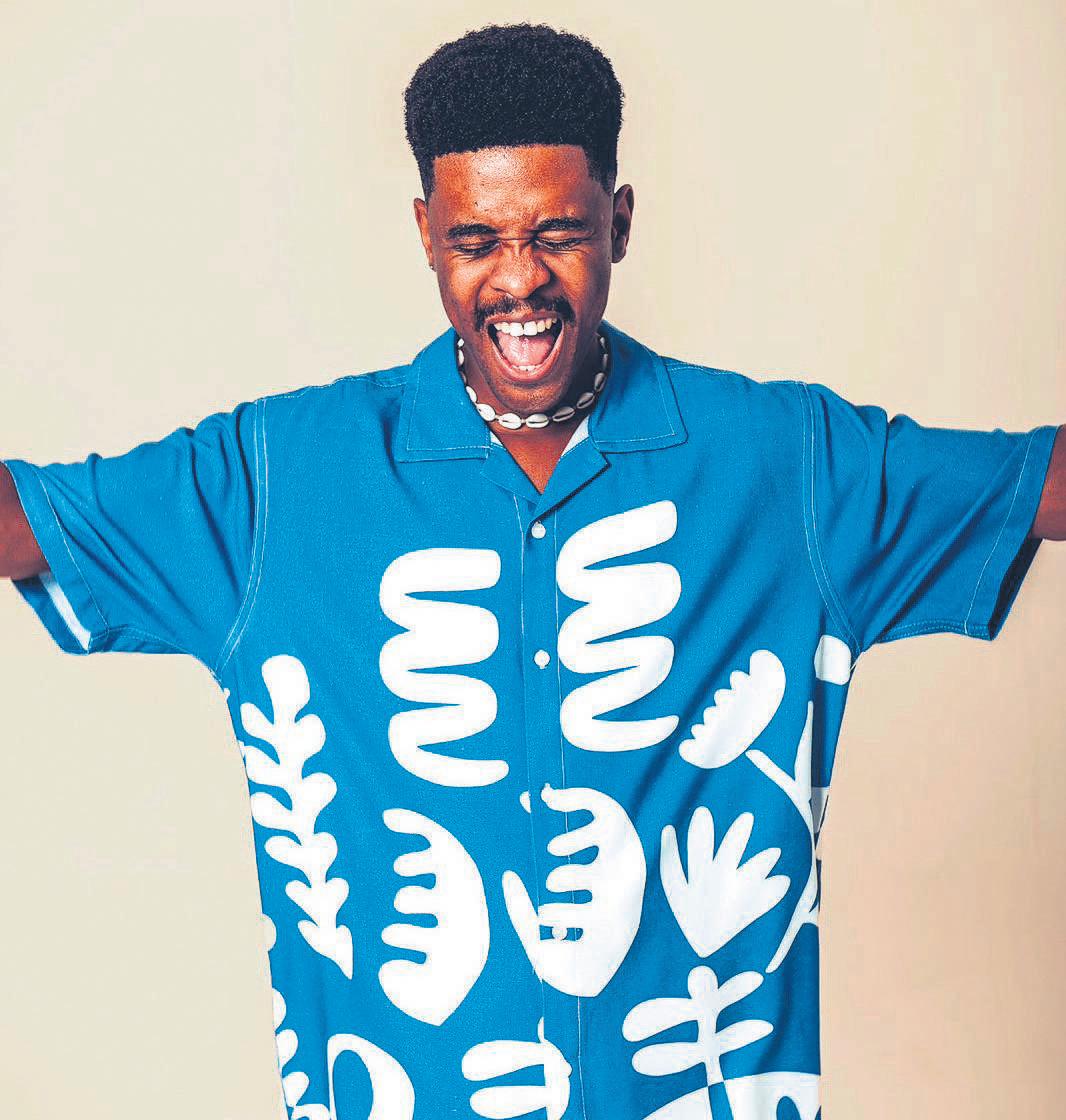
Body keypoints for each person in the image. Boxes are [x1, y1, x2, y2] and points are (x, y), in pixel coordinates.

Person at [0, 20, 1062, 1120]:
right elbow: (22, 524)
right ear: (425, 233)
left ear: (620, 222)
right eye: (475, 240)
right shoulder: (275, 479)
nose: (518, 280)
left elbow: (1036, 484)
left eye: (558, 233)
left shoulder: (785, 465)